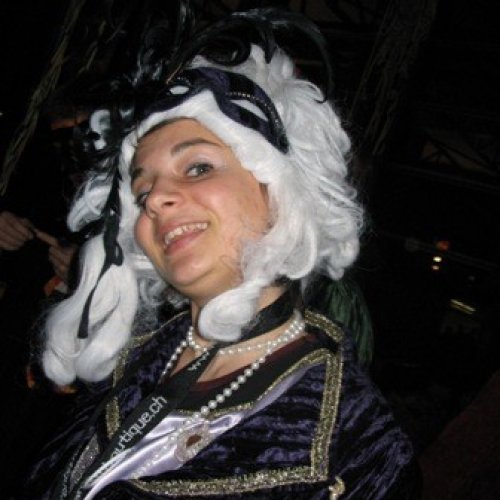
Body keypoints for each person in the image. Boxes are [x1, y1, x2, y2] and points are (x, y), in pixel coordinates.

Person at [23, 7, 420, 499]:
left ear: (279, 192)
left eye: (197, 168)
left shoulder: (357, 452)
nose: (156, 200)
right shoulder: (131, 361)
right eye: (141, 193)